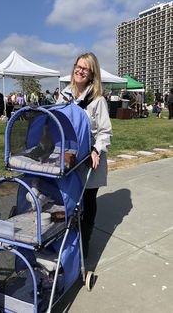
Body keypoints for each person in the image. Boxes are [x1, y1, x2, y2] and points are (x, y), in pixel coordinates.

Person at [56, 52, 112, 258]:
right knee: (67, 197)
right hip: (69, 157)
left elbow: (105, 131)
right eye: (77, 66)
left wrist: (97, 150)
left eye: (85, 68)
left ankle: (84, 241)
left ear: (91, 74)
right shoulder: (64, 95)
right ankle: (66, 238)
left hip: (90, 158)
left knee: (88, 199)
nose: (79, 70)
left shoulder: (97, 100)